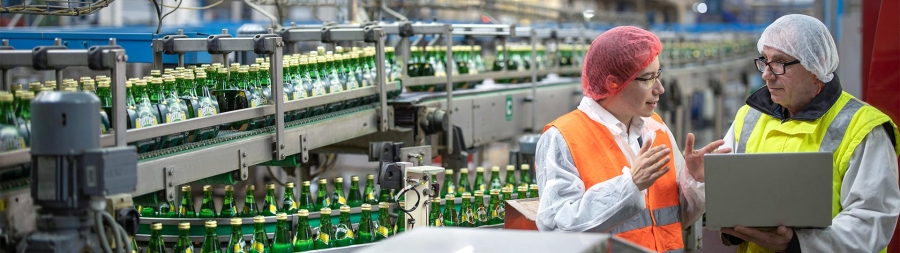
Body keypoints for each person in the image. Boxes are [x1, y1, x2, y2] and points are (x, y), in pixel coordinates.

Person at [535, 26, 730, 253]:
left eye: (659, 74)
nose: (660, 88)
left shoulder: (655, 128)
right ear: (613, 83)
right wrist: (629, 186)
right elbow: (558, 229)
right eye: (648, 78)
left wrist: (694, 183)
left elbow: (674, 220)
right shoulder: (563, 137)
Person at [718, 14, 900, 253]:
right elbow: (730, 197)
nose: (767, 74)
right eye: (765, 60)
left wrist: (796, 243)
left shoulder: (862, 127)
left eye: (780, 62)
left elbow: (870, 222)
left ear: (817, 65)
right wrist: (702, 182)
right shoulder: (749, 117)